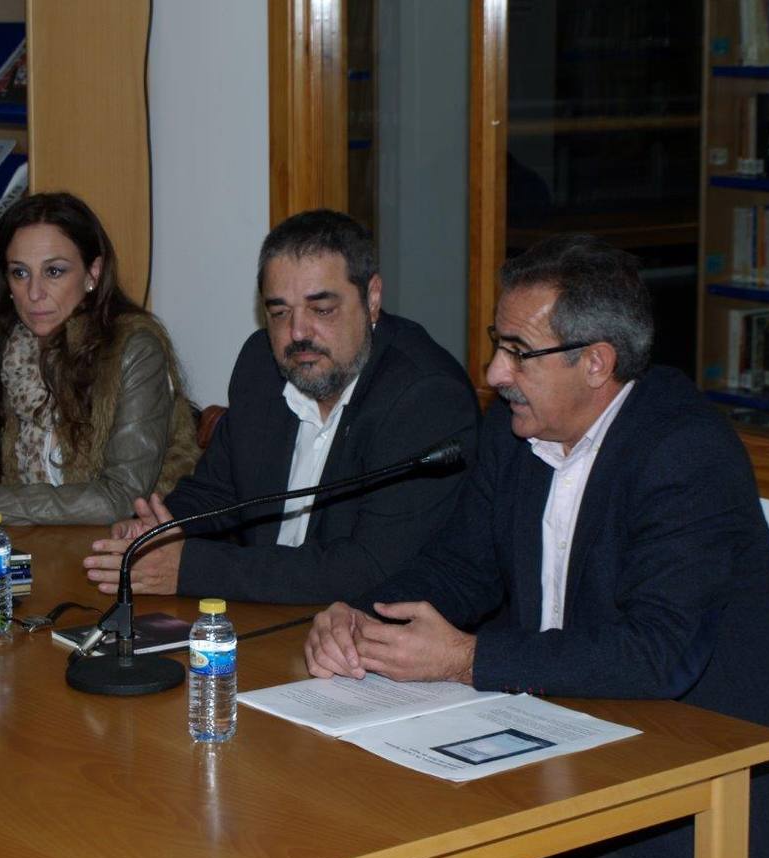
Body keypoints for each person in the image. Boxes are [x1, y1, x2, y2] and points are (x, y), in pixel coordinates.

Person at [304, 233, 769, 858]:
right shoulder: (516, 429)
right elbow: (462, 566)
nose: (494, 373)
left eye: (518, 352)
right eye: (497, 344)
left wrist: (466, 659)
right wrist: (366, 620)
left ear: (596, 363)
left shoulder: (685, 452)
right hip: (563, 749)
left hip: (705, 790)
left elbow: (658, 654)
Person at [84, 209, 478, 604]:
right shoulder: (262, 364)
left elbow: (369, 568)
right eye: (279, 312)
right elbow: (219, 490)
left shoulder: (426, 398)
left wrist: (188, 568)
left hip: (362, 625)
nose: (298, 333)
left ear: (372, 297)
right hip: (266, 613)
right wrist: (160, 530)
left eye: (321, 310)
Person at [0, 192, 200, 524]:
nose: (34, 293)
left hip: (118, 541)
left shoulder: (134, 349)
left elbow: (121, 497)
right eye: (20, 273)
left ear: (93, 273)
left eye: (54, 271)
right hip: (35, 536)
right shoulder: (10, 341)